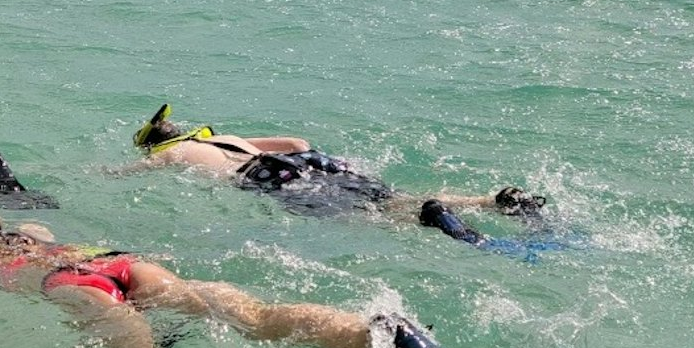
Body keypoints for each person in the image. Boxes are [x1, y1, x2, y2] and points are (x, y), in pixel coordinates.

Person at [0, 189, 494, 348]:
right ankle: (382, 334)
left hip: (74, 284)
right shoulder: (38, 236)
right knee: (256, 316)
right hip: (122, 263)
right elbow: (36, 229)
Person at [132, 103, 546, 231]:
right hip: (305, 162)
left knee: (369, 218)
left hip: (266, 176)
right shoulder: (221, 139)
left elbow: (129, 175)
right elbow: (298, 143)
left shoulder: (171, 155)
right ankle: (492, 201)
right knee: (389, 198)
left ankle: (433, 218)